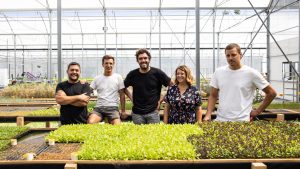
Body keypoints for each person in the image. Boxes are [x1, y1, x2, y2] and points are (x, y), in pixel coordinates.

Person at [203, 43, 277, 122]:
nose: (230, 58)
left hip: (242, 121)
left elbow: (271, 93)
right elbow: (213, 95)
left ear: (240, 55)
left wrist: (258, 111)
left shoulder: (251, 73)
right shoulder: (218, 72)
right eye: (228, 56)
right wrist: (208, 114)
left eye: (233, 55)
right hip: (221, 120)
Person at [124, 48, 172, 124]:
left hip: (153, 112)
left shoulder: (157, 73)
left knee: (154, 134)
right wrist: (132, 98)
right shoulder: (132, 74)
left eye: (145, 58)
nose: (143, 60)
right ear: (137, 60)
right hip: (137, 113)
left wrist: (160, 100)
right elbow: (123, 88)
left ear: (149, 59)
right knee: (138, 134)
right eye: (140, 58)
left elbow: (172, 85)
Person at [88, 55, 125, 125]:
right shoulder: (97, 78)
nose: (108, 65)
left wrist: (123, 111)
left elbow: (122, 94)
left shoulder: (118, 77)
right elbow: (88, 91)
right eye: (106, 63)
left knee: (117, 126)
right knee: (90, 122)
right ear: (103, 64)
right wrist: (83, 84)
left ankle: (104, 123)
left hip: (113, 108)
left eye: (111, 63)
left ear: (113, 64)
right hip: (99, 108)